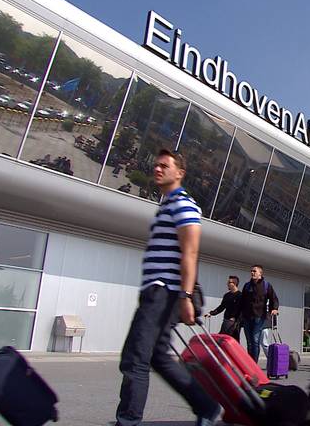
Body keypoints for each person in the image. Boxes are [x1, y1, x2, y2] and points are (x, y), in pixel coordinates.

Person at [115, 149, 220, 426]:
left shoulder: (183, 204)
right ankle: (207, 407)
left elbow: (190, 253)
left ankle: (128, 419)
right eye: (156, 164)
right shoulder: (167, 205)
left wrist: (185, 296)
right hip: (157, 291)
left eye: (164, 165)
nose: (157, 169)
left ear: (179, 173)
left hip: (165, 291)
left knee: (135, 357)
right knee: (158, 357)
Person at [240, 264, 279, 362]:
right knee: (249, 342)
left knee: (255, 340)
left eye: (254, 271)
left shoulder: (266, 285)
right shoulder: (247, 285)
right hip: (247, 317)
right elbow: (242, 301)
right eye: (251, 271)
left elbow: (273, 298)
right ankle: (250, 363)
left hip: (259, 317)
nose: (252, 273)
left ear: (260, 274)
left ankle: (254, 364)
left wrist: (274, 308)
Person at [205, 275, 243, 342]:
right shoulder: (227, 295)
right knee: (222, 339)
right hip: (226, 321)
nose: (227, 284)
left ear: (234, 284)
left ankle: (234, 352)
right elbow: (221, 307)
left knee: (233, 341)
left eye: (229, 282)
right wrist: (211, 313)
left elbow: (242, 310)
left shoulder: (240, 295)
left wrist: (236, 319)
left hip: (235, 323)